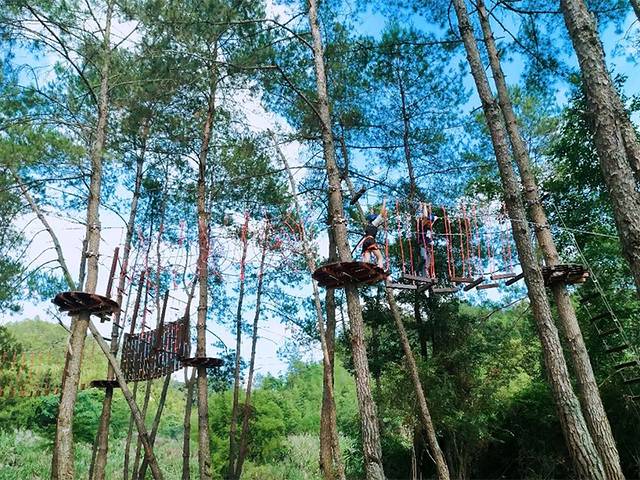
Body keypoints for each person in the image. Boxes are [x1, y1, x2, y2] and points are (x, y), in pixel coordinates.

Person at [359, 199, 387, 269]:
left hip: (365, 242)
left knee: (367, 260)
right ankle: (380, 268)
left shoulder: (368, 226)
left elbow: (365, 237)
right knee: (380, 257)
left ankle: (364, 269)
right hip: (371, 240)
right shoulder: (375, 223)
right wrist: (384, 203)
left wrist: (360, 244)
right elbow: (382, 213)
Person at [416, 203, 438, 278]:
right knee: (424, 258)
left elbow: (432, 221)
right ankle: (417, 270)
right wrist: (424, 206)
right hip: (422, 245)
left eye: (430, 222)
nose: (430, 223)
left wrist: (434, 219)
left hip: (428, 247)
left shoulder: (429, 227)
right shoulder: (422, 226)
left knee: (427, 262)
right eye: (429, 221)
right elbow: (425, 217)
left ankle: (424, 276)